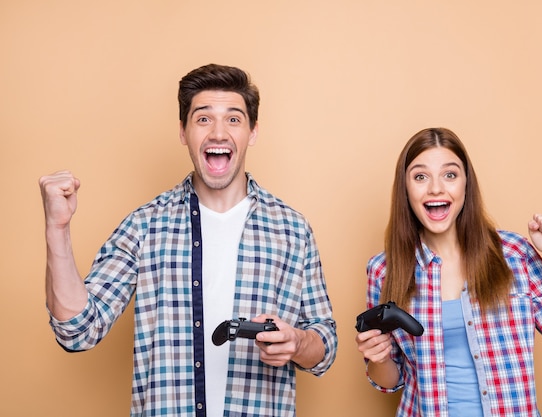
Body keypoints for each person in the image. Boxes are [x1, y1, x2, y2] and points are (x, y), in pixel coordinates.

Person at [39, 63, 337, 417]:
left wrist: (299, 342)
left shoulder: (292, 230)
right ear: (183, 131)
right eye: (203, 119)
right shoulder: (145, 225)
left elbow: (325, 345)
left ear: (253, 132)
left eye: (234, 119)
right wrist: (57, 230)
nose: (218, 133)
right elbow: (78, 329)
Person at [354, 127, 542, 417]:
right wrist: (377, 358)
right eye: (420, 176)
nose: (435, 188)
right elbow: (389, 382)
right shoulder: (383, 270)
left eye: (450, 174)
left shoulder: (513, 254)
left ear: (466, 184)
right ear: (405, 189)